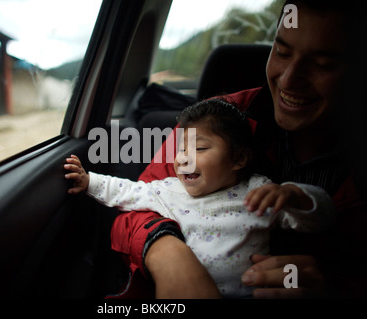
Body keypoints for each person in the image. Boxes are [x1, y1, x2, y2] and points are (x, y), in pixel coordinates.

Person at [108, 0, 367, 299]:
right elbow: (131, 214)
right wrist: (167, 253)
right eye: (282, 52)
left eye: (322, 65)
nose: (289, 79)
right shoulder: (213, 121)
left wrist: (336, 289)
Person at [65, 98, 336, 298]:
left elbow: (320, 218)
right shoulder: (170, 191)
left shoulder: (259, 192)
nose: (183, 158)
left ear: (239, 159)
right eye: (181, 149)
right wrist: (90, 181)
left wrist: (295, 196)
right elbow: (130, 192)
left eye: (200, 148)